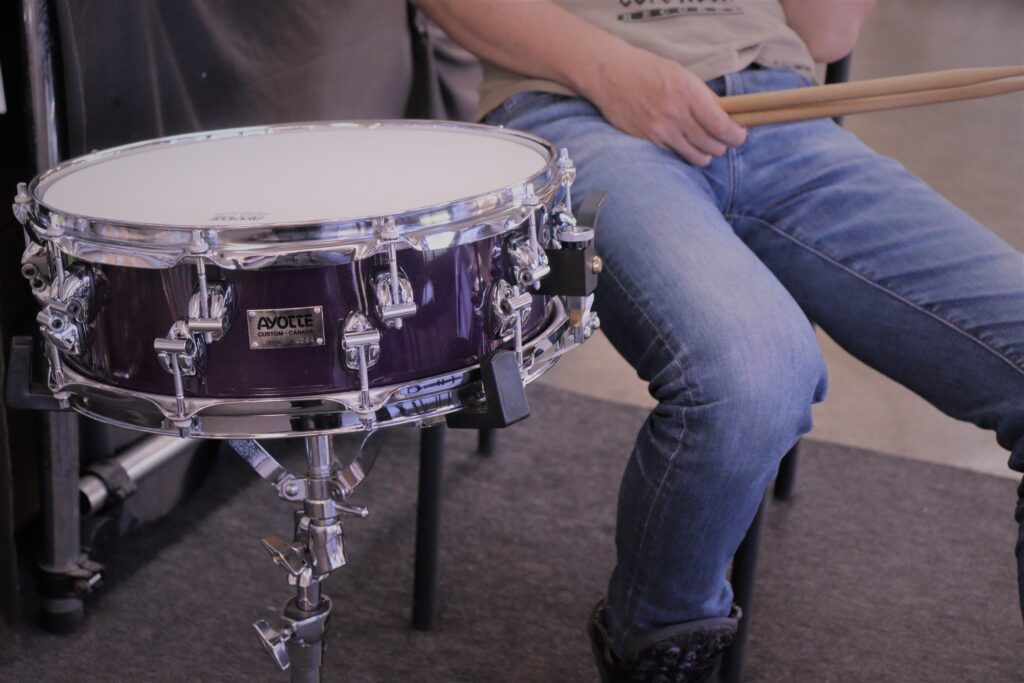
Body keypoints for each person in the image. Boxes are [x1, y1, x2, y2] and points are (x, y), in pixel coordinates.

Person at [414, 1, 1024, 681]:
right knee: (753, 379)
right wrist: (613, 70)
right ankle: (655, 648)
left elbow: (826, 34)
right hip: (576, 107)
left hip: (783, 111)